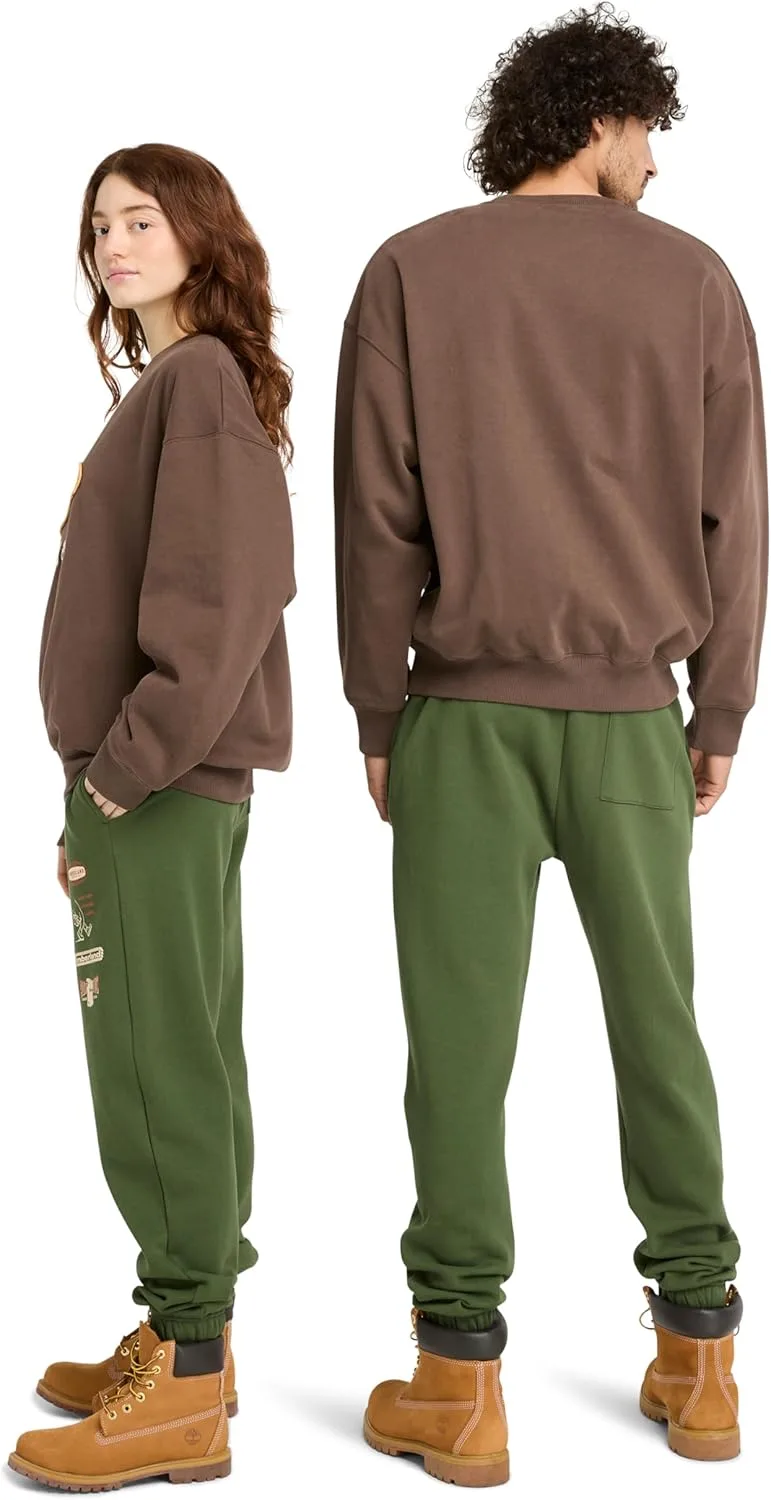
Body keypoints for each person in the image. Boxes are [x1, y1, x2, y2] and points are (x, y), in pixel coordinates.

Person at [334, 3, 767, 1483]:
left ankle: (459, 1382)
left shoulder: (411, 270)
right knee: (662, 1027)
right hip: (634, 722)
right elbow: (736, 518)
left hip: (460, 721)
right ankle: (702, 1362)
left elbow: (375, 518)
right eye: (646, 131)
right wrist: (718, 706)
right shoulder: (694, 281)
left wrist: (376, 710)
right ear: (595, 119)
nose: (654, 162)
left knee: (456, 1052)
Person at [10, 144, 295, 1491]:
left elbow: (219, 605)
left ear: (199, 234)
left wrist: (116, 776)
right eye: (98, 226)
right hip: (168, 780)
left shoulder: (197, 386)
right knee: (190, 1048)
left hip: (158, 782)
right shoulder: (186, 384)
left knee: (151, 1059)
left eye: (141, 220)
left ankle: (183, 1380)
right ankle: (193, 1338)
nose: (113, 245)